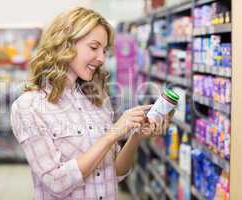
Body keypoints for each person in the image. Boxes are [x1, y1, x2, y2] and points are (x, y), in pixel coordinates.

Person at [10, 7, 170, 200]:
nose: (101, 58)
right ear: (65, 44)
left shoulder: (97, 100)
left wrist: (135, 137)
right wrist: (113, 133)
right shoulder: (29, 107)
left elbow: (115, 174)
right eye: (94, 47)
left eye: (104, 50)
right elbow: (56, 182)